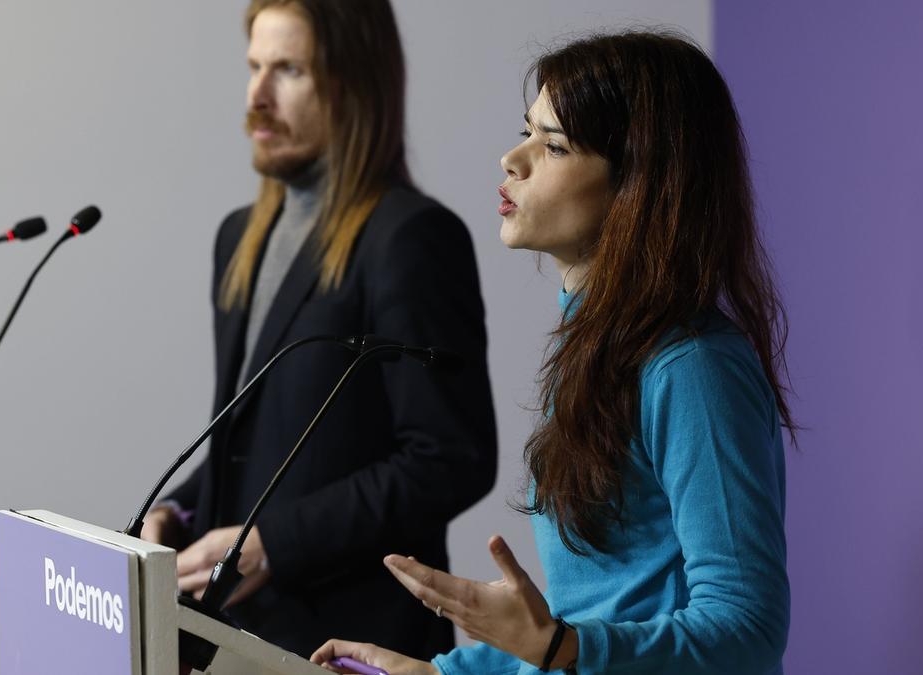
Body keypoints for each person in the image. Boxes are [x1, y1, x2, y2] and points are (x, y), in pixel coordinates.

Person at [312, 31, 794, 675]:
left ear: (640, 185)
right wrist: (437, 673)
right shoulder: (596, 349)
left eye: (555, 145)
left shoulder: (692, 367)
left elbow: (747, 631)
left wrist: (559, 646)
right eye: (527, 132)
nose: (513, 159)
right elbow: (591, 630)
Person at [139, 0, 498, 660]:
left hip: (355, 642)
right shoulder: (239, 237)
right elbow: (261, 446)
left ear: (352, 81)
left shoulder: (411, 238)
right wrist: (177, 514)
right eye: (253, 67)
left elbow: (450, 457)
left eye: (289, 70)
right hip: (237, 641)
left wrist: (275, 541)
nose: (257, 95)